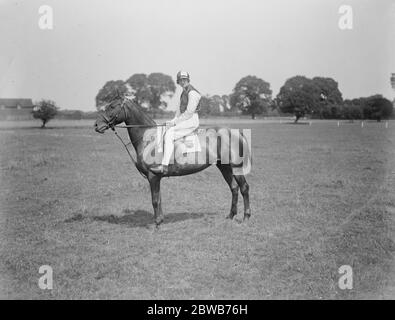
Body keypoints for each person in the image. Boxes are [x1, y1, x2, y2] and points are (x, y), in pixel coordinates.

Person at [150, 71, 201, 174]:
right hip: (185, 120)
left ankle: (164, 166)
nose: (183, 82)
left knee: (169, 134)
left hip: (191, 121)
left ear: (188, 80)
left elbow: (189, 113)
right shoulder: (183, 93)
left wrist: (175, 123)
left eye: (184, 79)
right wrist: (171, 121)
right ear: (178, 81)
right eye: (180, 80)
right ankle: (160, 158)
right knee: (163, 128)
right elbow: (178, 113)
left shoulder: (193, 93)